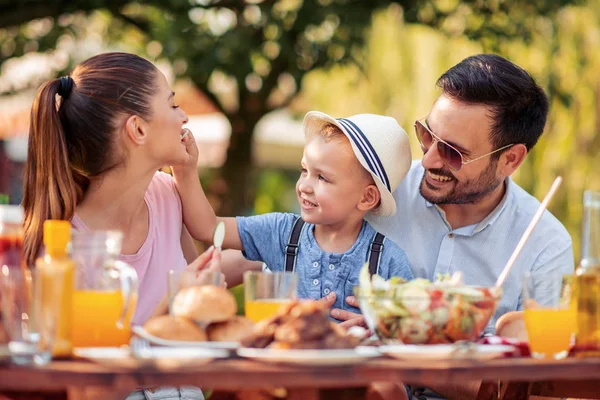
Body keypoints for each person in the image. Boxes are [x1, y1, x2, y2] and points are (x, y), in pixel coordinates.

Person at [330, 53, 574, 399]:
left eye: (452, 152)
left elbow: (540, 388)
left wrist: (397, 350)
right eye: (426, 134)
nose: (428, 159)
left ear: (510, 159)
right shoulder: (378, 192)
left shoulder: (545, 245)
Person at [22, 52, 216, 400]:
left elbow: (200, 327)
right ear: (138, 129)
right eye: (172, 106)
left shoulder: (169, 196)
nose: (184, 116)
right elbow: (88, 394)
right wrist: (168, 310)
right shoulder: (60, 250)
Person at [172, 111, 414, 313]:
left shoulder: (387, 260)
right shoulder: (282, 233)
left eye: (323, 178)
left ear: (367, 197)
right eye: (304, 170)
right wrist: (185, 170)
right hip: (280, 368)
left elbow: (409, 324)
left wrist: (376, 325)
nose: (304, 186)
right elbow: (208, 227)